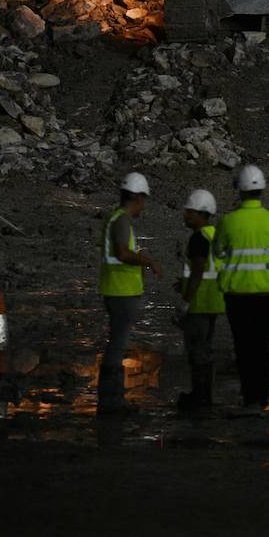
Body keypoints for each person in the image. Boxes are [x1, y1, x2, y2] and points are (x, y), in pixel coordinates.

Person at [214, 164, 269, 415]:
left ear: (239, 191)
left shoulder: (228, 222)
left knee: (243, 347)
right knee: (261, 346)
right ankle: (262, 399)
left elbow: (218, 253)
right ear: (262, 190)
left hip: (237, 295)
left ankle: (249, 399)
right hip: (265, 294)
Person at [97, 171, 162, 415]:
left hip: (118, 289)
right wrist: (149, 261)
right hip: (120, 291)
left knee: (117, 342)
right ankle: (111, 400)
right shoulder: (122, 220)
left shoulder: (116, 218)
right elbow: (123, 254)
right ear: (139, 198)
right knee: (118, 344)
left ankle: (111, 398)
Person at [174, 188, 224, 411]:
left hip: (199, 302)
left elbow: (198, 270)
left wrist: (185, 301)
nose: (185, 215)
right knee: (206, 350)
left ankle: (200, 398)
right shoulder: (214, 235)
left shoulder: (199, 238)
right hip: (215, 300)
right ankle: (205, 396)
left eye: (189, 212)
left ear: (200, 214)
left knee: (197, 352)